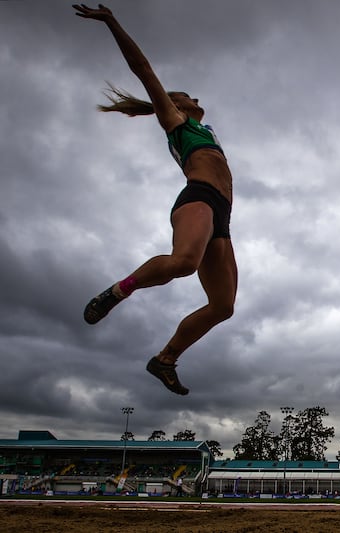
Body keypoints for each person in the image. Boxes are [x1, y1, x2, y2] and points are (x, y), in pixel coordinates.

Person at [73, 4, 237, 395]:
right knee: (183, 262)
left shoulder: (205, 130)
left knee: (223, 305)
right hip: (197, 198)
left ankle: (164, 359)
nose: (195, 96)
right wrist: (112, 22)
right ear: (176, 104)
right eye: (186, 95)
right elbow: (143, 70)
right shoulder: (175, 121)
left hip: (222, 214)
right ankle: (119, 290)